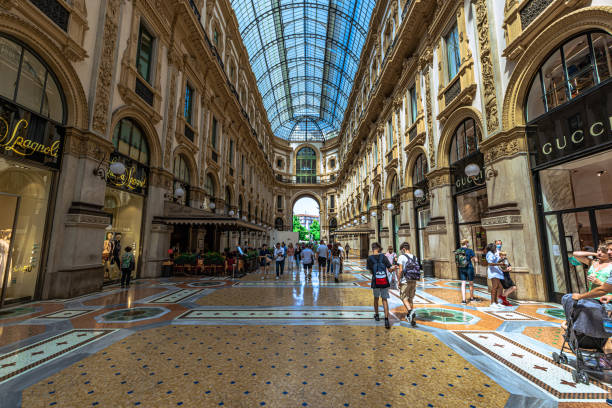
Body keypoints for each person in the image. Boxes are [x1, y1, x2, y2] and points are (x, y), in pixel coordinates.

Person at [367, 242, 395, 329]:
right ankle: (386, 319)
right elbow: (390, 269)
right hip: (384, 281)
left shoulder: (370, 258)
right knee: (384, 299)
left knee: (376, 298)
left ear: (372, 249)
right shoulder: (384, 257)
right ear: (379, 248)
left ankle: (377, 315)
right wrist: (394, 268)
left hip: (375, 281)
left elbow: (371, 271)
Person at [397, 242, 420, 326]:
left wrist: (398, 281)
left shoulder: (401, 257)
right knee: (410, 298)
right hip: (414, 279)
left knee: (403, 297)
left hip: (405, 280)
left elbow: (400, 271)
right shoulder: (415, 257)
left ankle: (410, 311)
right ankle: (412, 319)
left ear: (403, 249)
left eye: (401, 250)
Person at [454, 239, 476, 304]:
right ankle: (471, 298)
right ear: (466, 243)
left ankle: (463, 300)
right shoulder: (470, 250)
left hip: (461, 268)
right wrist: (473, 258)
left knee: (463, 283)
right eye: (468, 242)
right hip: (469, 268)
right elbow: (476, 260)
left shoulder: (458, 250)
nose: (468, 244)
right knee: (471, 283)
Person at [486, 243, 505, 309]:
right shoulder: (489, 254)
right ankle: (492, 303)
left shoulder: (493, 253)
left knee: (500, 287)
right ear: (492, 248)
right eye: (495, 247)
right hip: (493, 272)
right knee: (495, 287)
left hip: (497, 272)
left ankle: (496, 302)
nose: (496, 248)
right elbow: (490, 263)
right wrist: (499, 264)